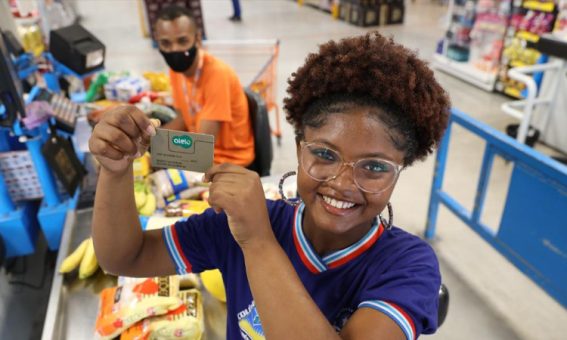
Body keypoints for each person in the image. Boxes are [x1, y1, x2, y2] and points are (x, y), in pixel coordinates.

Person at [89, 32, 450, 339]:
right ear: (298, 149)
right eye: (324, 154)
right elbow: (124, 257)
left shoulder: (407, 265)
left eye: (374, 167)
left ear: (400, 170)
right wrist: (116, 171)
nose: (342, 183)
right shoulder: (240, 224)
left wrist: (258, 243)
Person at [155, 5, 254, 166]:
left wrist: (160, 149)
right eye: (165, 43)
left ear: (198, 39)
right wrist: (151, 139)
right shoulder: (176, 72)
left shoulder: (217, 74)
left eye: (182, 41)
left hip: (229, 163)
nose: (174, 50)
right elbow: (182, 120)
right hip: (202, 156)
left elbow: (202, 145)